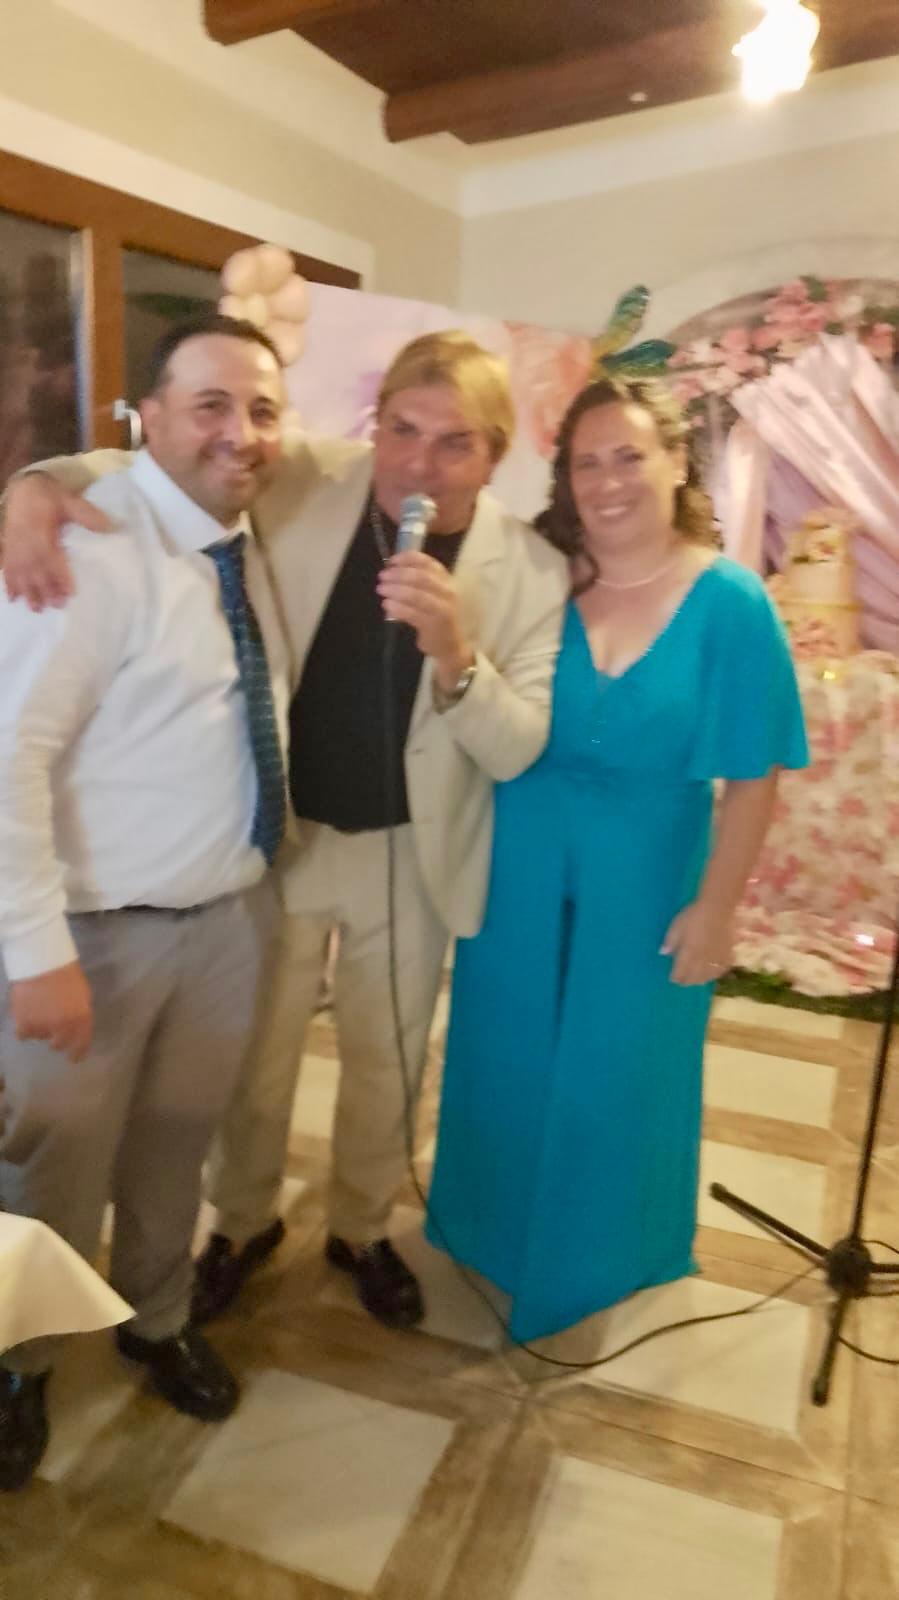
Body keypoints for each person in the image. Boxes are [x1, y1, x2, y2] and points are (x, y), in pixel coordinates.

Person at [1, 331, 569, 1332]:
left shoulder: (530, 568)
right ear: (375, 426)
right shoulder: (308, 472)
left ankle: (360, 1226)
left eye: (456, 443)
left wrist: (456, 657)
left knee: (387, 1060)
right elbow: (168, 454)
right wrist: (36, 484)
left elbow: (518, 746)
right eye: (403, 430)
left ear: (495, 454)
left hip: (411, 851)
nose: (421, 463)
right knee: (253, 1066)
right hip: (283, 836)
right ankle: (242, 1223)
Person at [426, 376, 809, 1343]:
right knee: (506, 1049)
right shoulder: (538, 577)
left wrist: (717, 908)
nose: (606, 481)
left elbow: (754, 778)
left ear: (676, 462)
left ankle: (602, 1254)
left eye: (628, 456)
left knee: (621, 1066)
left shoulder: (730, 601)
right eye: (585, 463)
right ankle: (490, 1228)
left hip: (647, 877)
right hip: (518, 866)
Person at [0, 312, 289, 1490]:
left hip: (223, 921)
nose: (240, 431)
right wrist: (35, 951)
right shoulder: (90, 545)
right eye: (210, 404)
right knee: (53, 1167)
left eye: (261, 408)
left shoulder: (240, 540)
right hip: (93, 937)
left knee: (175, 1146)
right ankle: (21, 1364)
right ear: (149, 416)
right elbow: (9, 754)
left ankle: (158, 1318)